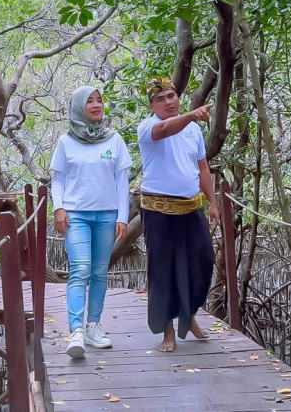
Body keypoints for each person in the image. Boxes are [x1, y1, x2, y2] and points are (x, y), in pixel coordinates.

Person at [137, 77, 219, 352]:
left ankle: (189, 315)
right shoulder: (148, 127)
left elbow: (203, 168)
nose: (168, 102)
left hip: (191, 207)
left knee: (203, 260)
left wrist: (213, 203)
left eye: (171, 96)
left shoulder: (193, 130)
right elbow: (164, 130)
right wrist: (191, 115)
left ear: (178, 97)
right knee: (163, 271)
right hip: (158, 210)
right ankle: (167, 331)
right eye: (160, 99)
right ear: (151, 105)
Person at [50, 86, 132, 358]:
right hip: (76, 215)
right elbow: (58, 178)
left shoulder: (114, 139)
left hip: (107, 215)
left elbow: (122, 180)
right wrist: (58, 208)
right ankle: (76, 332)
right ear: (78, 107)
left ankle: (94, 326)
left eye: (99, 100)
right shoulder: (66, 141)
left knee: (99, 271)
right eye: (90, 102)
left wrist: (122, 217)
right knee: (80, 269)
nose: (96, 105)